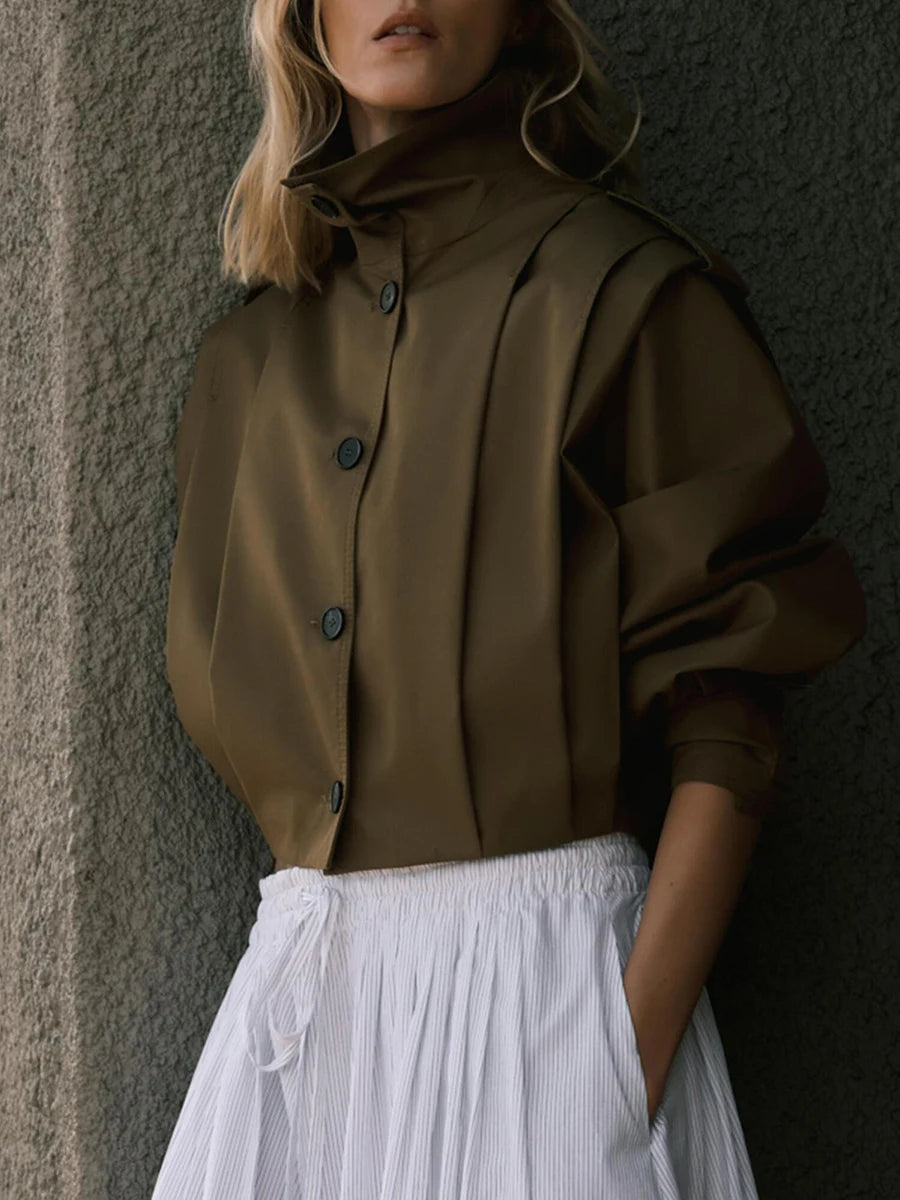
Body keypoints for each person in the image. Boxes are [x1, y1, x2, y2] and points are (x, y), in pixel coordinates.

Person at [152, 1, 868, 1197]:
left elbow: (731, 713)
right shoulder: (246, 371)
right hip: (299, 1037)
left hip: (554, 1013)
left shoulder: (628, 293)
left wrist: (610, 1068)